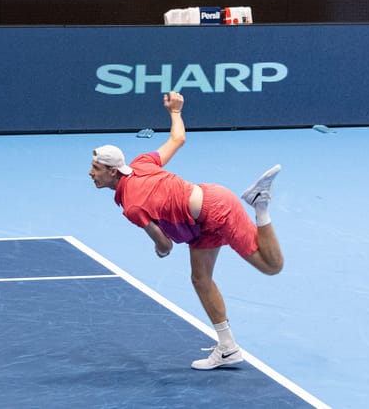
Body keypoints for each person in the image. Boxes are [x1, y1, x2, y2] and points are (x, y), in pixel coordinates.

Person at [88, 91, 284, 370]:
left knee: (271, 266)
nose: (90, 173)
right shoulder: (142, 162)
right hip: (200, 225)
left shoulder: (132, 206)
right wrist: (176, 112)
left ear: (112, 172)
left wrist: (159, 248)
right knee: (200, 279)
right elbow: (177, 139)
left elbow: (165, 246)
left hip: (217, 208)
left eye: (95, 168)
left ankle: (260, 204)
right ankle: (228, 349)